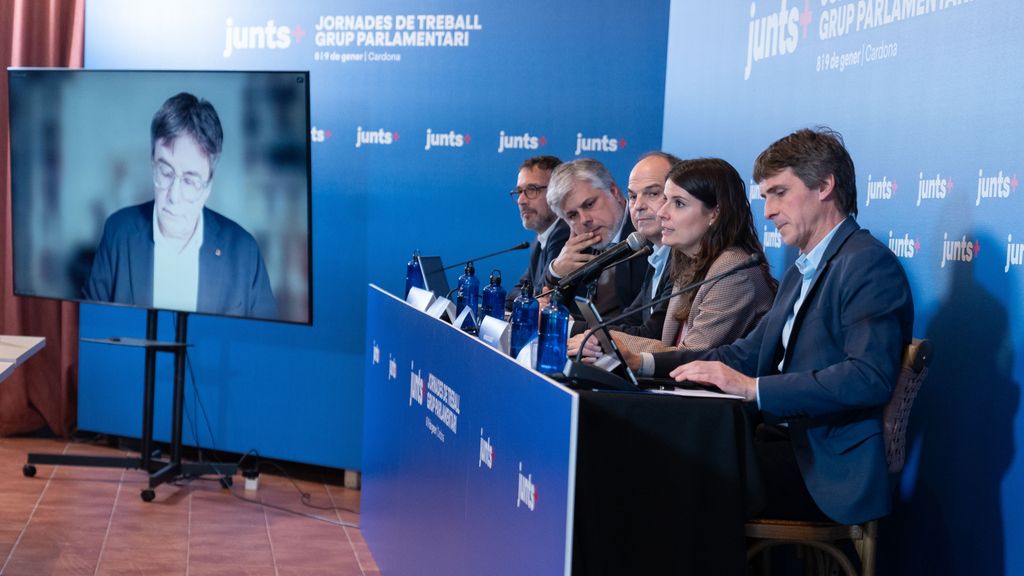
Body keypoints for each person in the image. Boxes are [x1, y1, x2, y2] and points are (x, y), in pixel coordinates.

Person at [652, 128, 914, 525]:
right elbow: (744, 355)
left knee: (675, 478)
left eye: (779, 193)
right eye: (765, 197)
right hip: (777, 443)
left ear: (824, 186)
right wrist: (646, 366)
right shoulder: (800, 269)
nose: (769, 211)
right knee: (660, 454)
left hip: (825, 467)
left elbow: (868, 376)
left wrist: (752, 388)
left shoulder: (867, 264)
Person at [82, 92, 278, 319]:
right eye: (165, 172)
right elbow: (91, 327)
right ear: (152, 165)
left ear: (207, 187)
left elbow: (265, 342)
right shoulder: (118, 232)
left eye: (190, 180)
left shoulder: (244, 252)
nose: (174, 195)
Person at [572, 158, 777, 371]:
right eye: (666, 199)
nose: (662, 213)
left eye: (678, 203)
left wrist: (605, 340)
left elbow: (692, 357)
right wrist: (602, 339)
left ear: (714, 213)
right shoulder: (688, 260)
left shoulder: (733, 271)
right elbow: (667, 344)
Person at [543, 158, 647, 322]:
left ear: (613, 192)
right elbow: (551, 302)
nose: (584, 220)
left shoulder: (645, 232)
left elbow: (638, 322)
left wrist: (572, 328)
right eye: (572, 215)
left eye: (589, 204)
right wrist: (557, 271)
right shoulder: (578, 245)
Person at [505, 155, 570, 310]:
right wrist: (529, 296)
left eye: (532, 189)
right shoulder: (540, 240)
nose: (521, 200)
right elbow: (513, 295)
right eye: (519, 191)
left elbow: (543, 297)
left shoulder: (564, 233)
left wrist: (530, 296)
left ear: (558, 193)